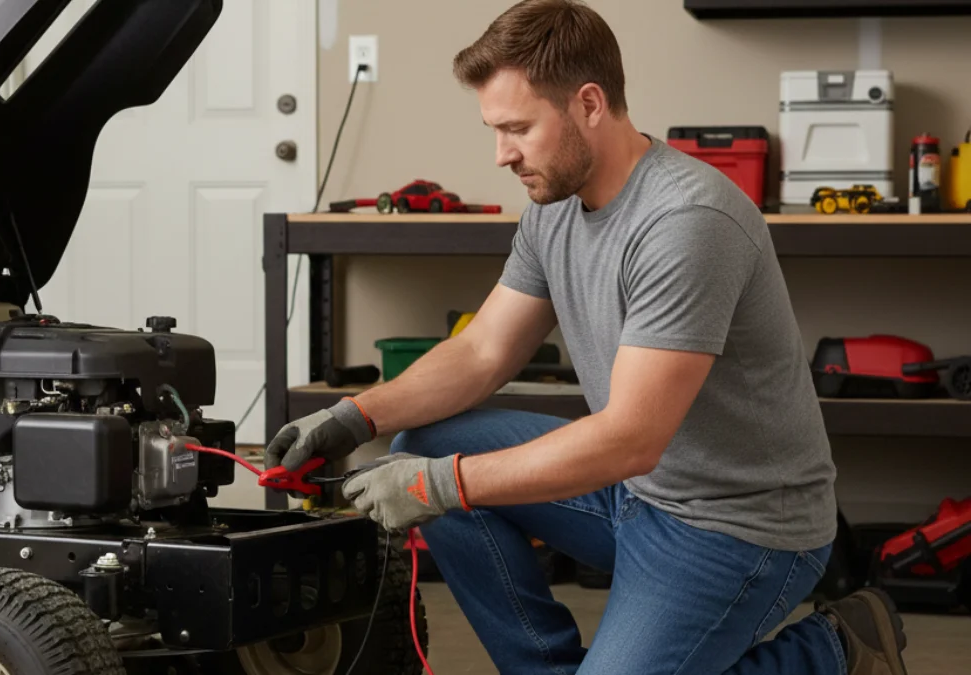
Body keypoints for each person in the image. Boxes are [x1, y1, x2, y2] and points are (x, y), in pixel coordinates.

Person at [264, 1, 909, 673]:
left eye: (517, 128)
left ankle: (836, 648)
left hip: (738, 528)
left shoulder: (687, 221)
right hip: (636, 493)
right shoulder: (556, 205)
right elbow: (483, 351)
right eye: (495, 129)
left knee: (439, 476)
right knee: (426, 442)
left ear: (590, 104)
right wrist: (354, 415)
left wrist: (438, 487)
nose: (501, 154)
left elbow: (631, 436)